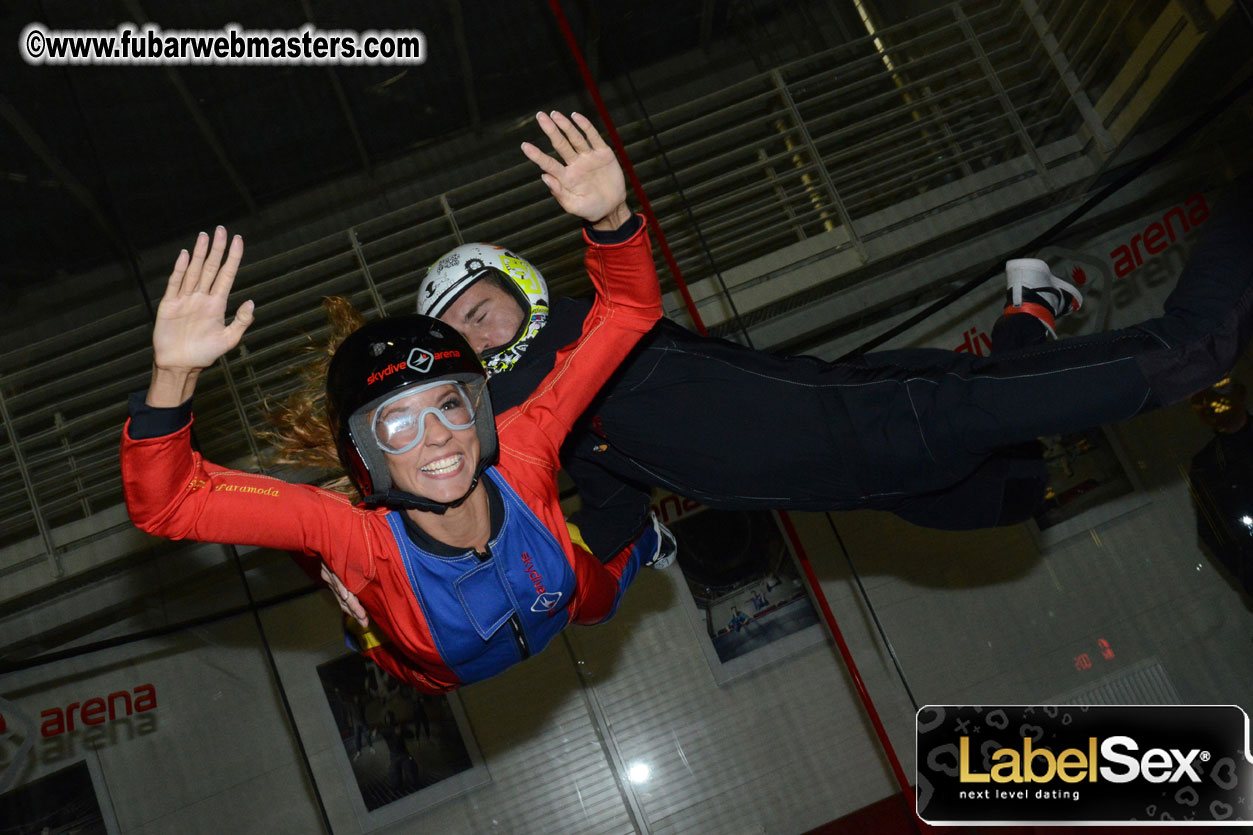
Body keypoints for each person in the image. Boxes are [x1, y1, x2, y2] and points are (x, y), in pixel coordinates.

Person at [417, 139, 1253, 560]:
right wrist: (487, 568)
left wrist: (608, 220)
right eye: (462, 337)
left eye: (481, 313)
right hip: (886, 476)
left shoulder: (584, 338)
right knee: (1019, 483)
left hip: (902, 420)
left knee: (1194, 352)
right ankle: (1029, 308)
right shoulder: (568, 429)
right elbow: (609, 525)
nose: (479, 339)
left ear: (522, 290)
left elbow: (605, 312)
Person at [121, 114, 668, 693]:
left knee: (595, 602)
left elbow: (628, 315)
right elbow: (171, 503)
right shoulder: (353, 538)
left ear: (478, 414)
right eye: (399, 422)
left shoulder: (524, 447)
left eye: (449, 405)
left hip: (561, 593)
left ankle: (648, 542)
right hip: (431, 671)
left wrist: (612, 218)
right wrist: (173, 375)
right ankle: (357, 614)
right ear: (368, 452)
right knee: (358, 608)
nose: (437, 434)